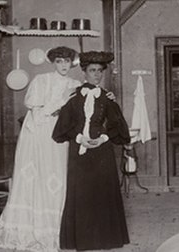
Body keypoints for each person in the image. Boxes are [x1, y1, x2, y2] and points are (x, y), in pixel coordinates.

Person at [0, 46, 82, 252]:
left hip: (62, 135)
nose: (63, 65)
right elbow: (36, 109)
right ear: (53, 62)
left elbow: (78, 112)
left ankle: (57, 228)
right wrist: (60, 100)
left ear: (72, 63)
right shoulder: (41, 80)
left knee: (58, 176)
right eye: (59, 61)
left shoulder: (76, 84)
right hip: (38, 135)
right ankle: (32, 226)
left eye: (67, 61)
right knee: (36, 176)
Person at [52, 51, 130, 250]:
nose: (96, 75)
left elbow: (118, 127)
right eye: (92, 70)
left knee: (102, 193)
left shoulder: (107, 98)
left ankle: (105, 239)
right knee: (82, 195)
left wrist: (103, 138)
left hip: (102, 152)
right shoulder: (74, 97)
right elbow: (62, 128)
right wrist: (80, 139)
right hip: (79, 152)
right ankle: (83, 242)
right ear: (84, 72)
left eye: (100, 71)